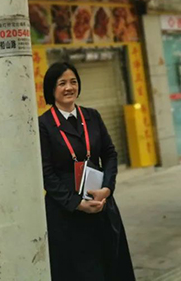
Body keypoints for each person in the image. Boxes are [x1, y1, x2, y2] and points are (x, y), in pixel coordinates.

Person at [38, 62, 135, 281]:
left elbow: (110, 154)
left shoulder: (92, 116)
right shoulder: (43, 124)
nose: (69, 87)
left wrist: (107, 189)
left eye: (73, 82)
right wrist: (76, 203)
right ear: (51, 89)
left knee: (111, 264)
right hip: (66, 213)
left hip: (101, 204)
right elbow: (46, 172)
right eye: (62, 83)